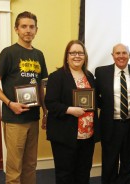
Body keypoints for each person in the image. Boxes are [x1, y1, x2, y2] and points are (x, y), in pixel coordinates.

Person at [0, 11, 48, 184]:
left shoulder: (39, 55)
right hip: (14, 119)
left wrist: (45, 112)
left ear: (36, 30)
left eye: (31, 27)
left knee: (31, 164)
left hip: (33, 117)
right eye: (24, 26)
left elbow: (41, 87)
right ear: (16, 29)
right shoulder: (8, 53)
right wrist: (10, 103)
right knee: (15, 167)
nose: (28, 30)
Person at [45, 40, 100, 184]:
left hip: (87, 135)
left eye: (80, 53)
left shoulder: (89, 76)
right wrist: (70, 110)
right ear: (67, 56)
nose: (77, 56)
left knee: (83, 172)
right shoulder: (57, 76)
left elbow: (95, 101)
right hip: (65, 135)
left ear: (85, 56)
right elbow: (50, 103)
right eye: (73, 53)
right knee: (65, 174)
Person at [95, 43, 130, 184]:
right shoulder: (101, 72)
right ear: (112, 56)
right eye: (118, 53)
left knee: (128, 163)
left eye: (124, 53)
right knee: (109, 163)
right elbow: (94, 96)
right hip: (110, 125)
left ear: (129, 55)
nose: (121, 56)